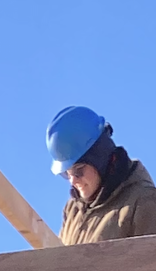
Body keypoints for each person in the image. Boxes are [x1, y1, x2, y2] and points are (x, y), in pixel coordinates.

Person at [46, 105, 156, 245]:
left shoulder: (144, 203)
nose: (73, 180)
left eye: (78, 171)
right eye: (66, 173)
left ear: (99, 159)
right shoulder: (73, 210)